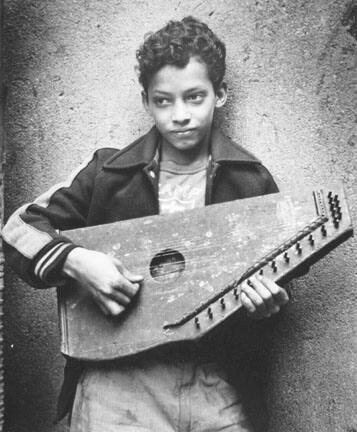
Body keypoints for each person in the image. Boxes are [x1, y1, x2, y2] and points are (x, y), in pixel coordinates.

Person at [2, 16, 289, 431]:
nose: (180, 115)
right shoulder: (108, 171)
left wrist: (269, 305)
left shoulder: (250, 180)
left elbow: (282, 277)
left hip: (216, 381)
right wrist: (76, 260)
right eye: (163, 101)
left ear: (220, 94)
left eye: (194, 97)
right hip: (118, 382)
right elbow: (18, 229)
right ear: (146, 101)